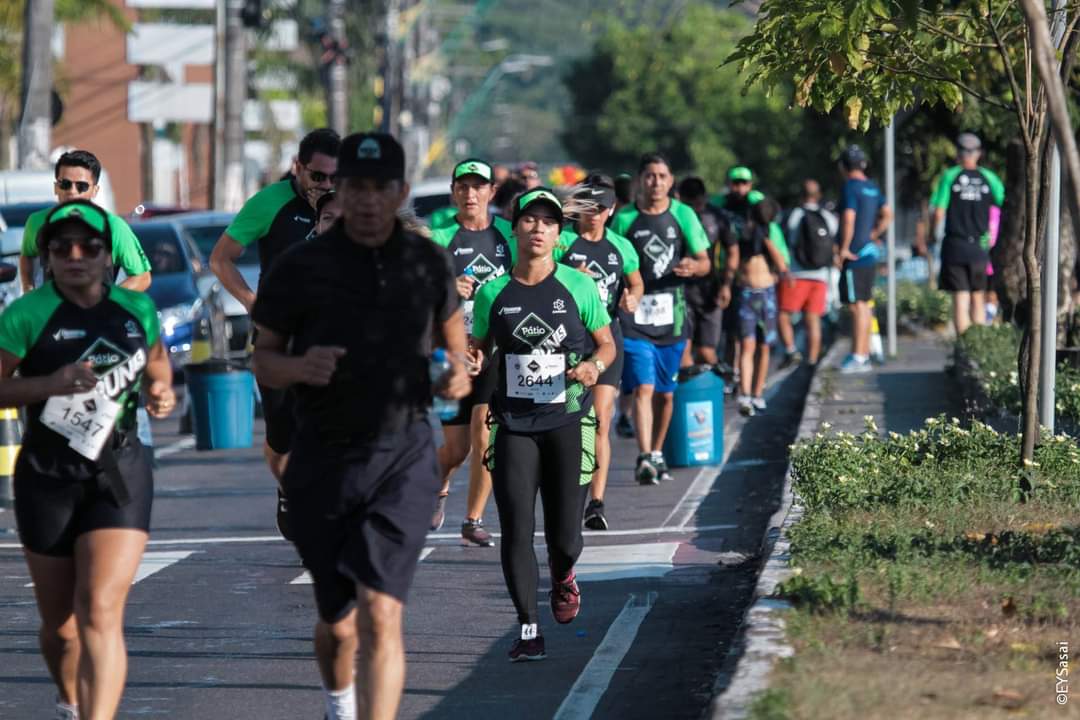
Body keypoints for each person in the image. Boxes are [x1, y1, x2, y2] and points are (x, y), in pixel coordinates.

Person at [251, 132, 470, 720]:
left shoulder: (425, 261)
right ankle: (339, 701)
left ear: (399, 192)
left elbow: (456, 352)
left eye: (381, 188)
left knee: (381, 611)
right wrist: (299, 366)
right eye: (355, 187)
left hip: (402, 454)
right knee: (340, 623)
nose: (368, 200)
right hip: (322, 455)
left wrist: (456, 379)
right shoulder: (301, 266)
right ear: (337, 191)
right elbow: (262, 359)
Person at [0, 200, 174, 720]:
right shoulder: (26, 315)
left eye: (89, 247)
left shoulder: (135, 309)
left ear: (108, 254)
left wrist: (159, 391)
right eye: (62, 248)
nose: (76, 257)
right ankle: (70, 701)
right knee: (61, 628)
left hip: (117, 470)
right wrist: (47, 385)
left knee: (99, 610)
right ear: (47, 257)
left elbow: (158, 362)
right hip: (47, 475)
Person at [471, 187, 616, 661]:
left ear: (559, 234)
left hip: (568, 419)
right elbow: (479, 347)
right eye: (529, 220)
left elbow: (607, 345)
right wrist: (472, 359)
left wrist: (594, 367)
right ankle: (528, 629)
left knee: (566, 539)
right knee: (516, 527)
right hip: (513, 423)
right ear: (514, 230)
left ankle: (563, 576)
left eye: (548, 222)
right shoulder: (493, 292)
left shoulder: (579, 286)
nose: (537, 228)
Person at [210, 128, 340, 540]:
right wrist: (252, 302)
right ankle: (288, 486)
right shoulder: (270, 203)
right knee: (282, 438)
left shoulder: (348, 205)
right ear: (298, 168)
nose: (326, 187)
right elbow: (220, 260)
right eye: (318, 177)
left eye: (335, 178)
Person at [429, 158, 515, 546]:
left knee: (486, 434)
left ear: (491, 193)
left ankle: (473, 519)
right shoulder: (438, 236)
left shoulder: (509, 237)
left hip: (496, 349)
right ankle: (437, 485)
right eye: (462, 186)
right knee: (456, 448)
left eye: (478, 186)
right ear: (454, 192)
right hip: (451, 352)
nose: (470, 194)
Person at [610, 153, 710, 485]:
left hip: (673, 315)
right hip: (634, 318)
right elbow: (611, 262)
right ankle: (645, 455)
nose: (656, 182)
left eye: (662, 176)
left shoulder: (683, 215)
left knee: (666, 393)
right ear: (640, 180)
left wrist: (693, 267)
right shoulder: (624, 219)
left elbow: (705, 261)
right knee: (643, 386)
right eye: (650, 176)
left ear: (670, 181)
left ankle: (656, 451)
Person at [555, 174, 643, 530]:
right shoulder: (562, 243)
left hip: (608, 339)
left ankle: (596, 503)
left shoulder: (621, 247)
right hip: (566, 342)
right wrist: (567, 274)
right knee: (568, 421)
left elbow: (636, 280)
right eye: (587, 207)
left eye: (600, 208)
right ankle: (565, 492)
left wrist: (633, 296)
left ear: (611, 211)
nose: (592, 214)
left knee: (601, 421)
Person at [19, 150, 152, 294]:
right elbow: (26, 256)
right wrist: (28, 289)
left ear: (95, 190)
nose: (72, 191)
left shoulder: (114, 227)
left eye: (81, 186)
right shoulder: (37, 222)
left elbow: (142, 278)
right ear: (56, 187)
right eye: (65, 184)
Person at [929, 132, 1005, 335]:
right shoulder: (990, 178)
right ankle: (978, 347)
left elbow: (938, 211)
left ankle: (964, 348)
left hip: (955, 244)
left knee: (960, 298)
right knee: (978, 297)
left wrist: (931, 235)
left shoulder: (950, 176)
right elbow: (1005, 205)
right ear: (978, 154)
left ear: (958, 153)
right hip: (981, 247)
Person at [836, 145, 893, 374]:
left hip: (855, 255)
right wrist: (874, 233)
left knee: (857, 307)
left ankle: (859, 356)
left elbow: (848, 218)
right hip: (870, 253)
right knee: (864, 305)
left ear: (843, 166)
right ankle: (863, 354)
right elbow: (888, 214)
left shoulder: (850, 187)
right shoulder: (871, 187)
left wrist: (844, 248)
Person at [728, 199, 787, 415]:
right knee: (747, 345)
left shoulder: (772, 233)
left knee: (764, 347)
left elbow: (781, 265)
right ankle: (744, 394)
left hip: (768, 295)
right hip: (746, 295)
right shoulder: (742, 234)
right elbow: (733, 261)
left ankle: (757, 393)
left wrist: (766, 240)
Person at [778, 179, 838, 367]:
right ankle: (811, 361)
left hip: (796, 275)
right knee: (813, 319)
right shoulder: (828, 217)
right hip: (820, 276)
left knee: (784, 315)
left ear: (801, 196)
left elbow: (784, 242)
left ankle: (791, 350)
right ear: (818, 196)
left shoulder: (793, 215)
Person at [677, 176, 728, 367]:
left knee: (707, 353)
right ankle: (688, 395)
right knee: (684, 352)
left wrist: (727, 285)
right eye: (690, 204)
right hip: (681, 292)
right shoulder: (674, 216)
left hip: (710, 290)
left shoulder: (717, 217)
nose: (695, 209)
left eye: (698, 203)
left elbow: (733, 251)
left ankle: (716, 384)